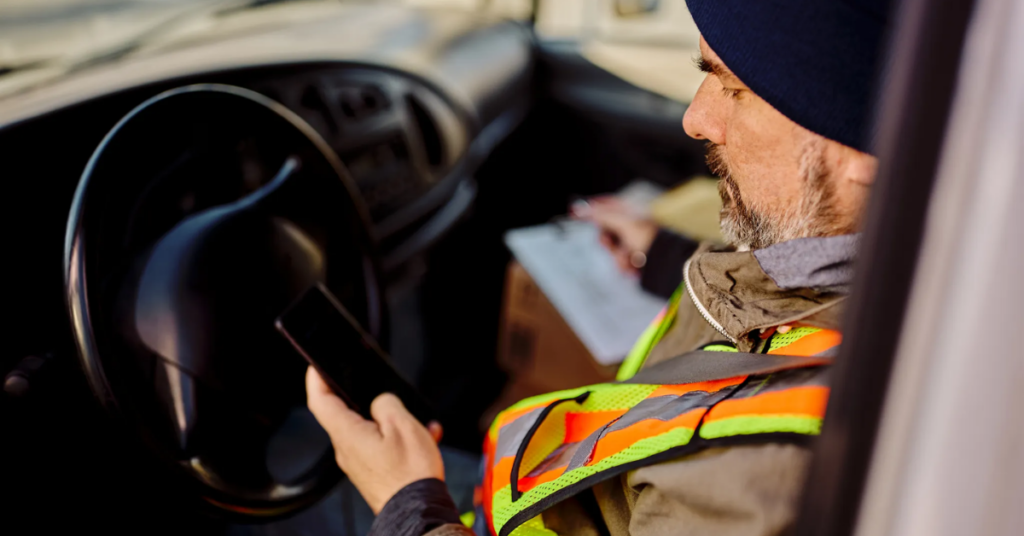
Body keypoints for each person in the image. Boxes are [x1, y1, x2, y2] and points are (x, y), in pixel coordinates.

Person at [306, 0, 889, 535]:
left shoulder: (756, 484)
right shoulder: (877, 271)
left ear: (862, 152)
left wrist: (407, 505)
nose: (695, 118)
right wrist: (661, 258)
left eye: (732, 88)